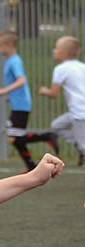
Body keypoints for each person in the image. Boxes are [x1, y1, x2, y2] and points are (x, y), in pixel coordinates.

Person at [0, 30, 59, 171]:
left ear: (9, 45)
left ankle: (47, 136)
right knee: (14, 138)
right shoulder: (11, 61)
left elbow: (22, 81)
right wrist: (10, 98)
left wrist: (4, 91)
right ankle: (31, 165)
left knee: (14, 137)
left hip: (21, 106)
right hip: (18, 105)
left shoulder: (15, 61)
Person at [39, 35, 85, 166]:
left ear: (64, 52)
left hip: (79, 113)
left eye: (56, 48)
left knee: (83, 146)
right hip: (76, 112)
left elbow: (53, 93)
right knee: (57, 125)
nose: (54, 51)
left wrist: (43, 91)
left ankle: (81, 147)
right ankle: (78, 142)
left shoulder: (60, 69)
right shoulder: (82, 66)